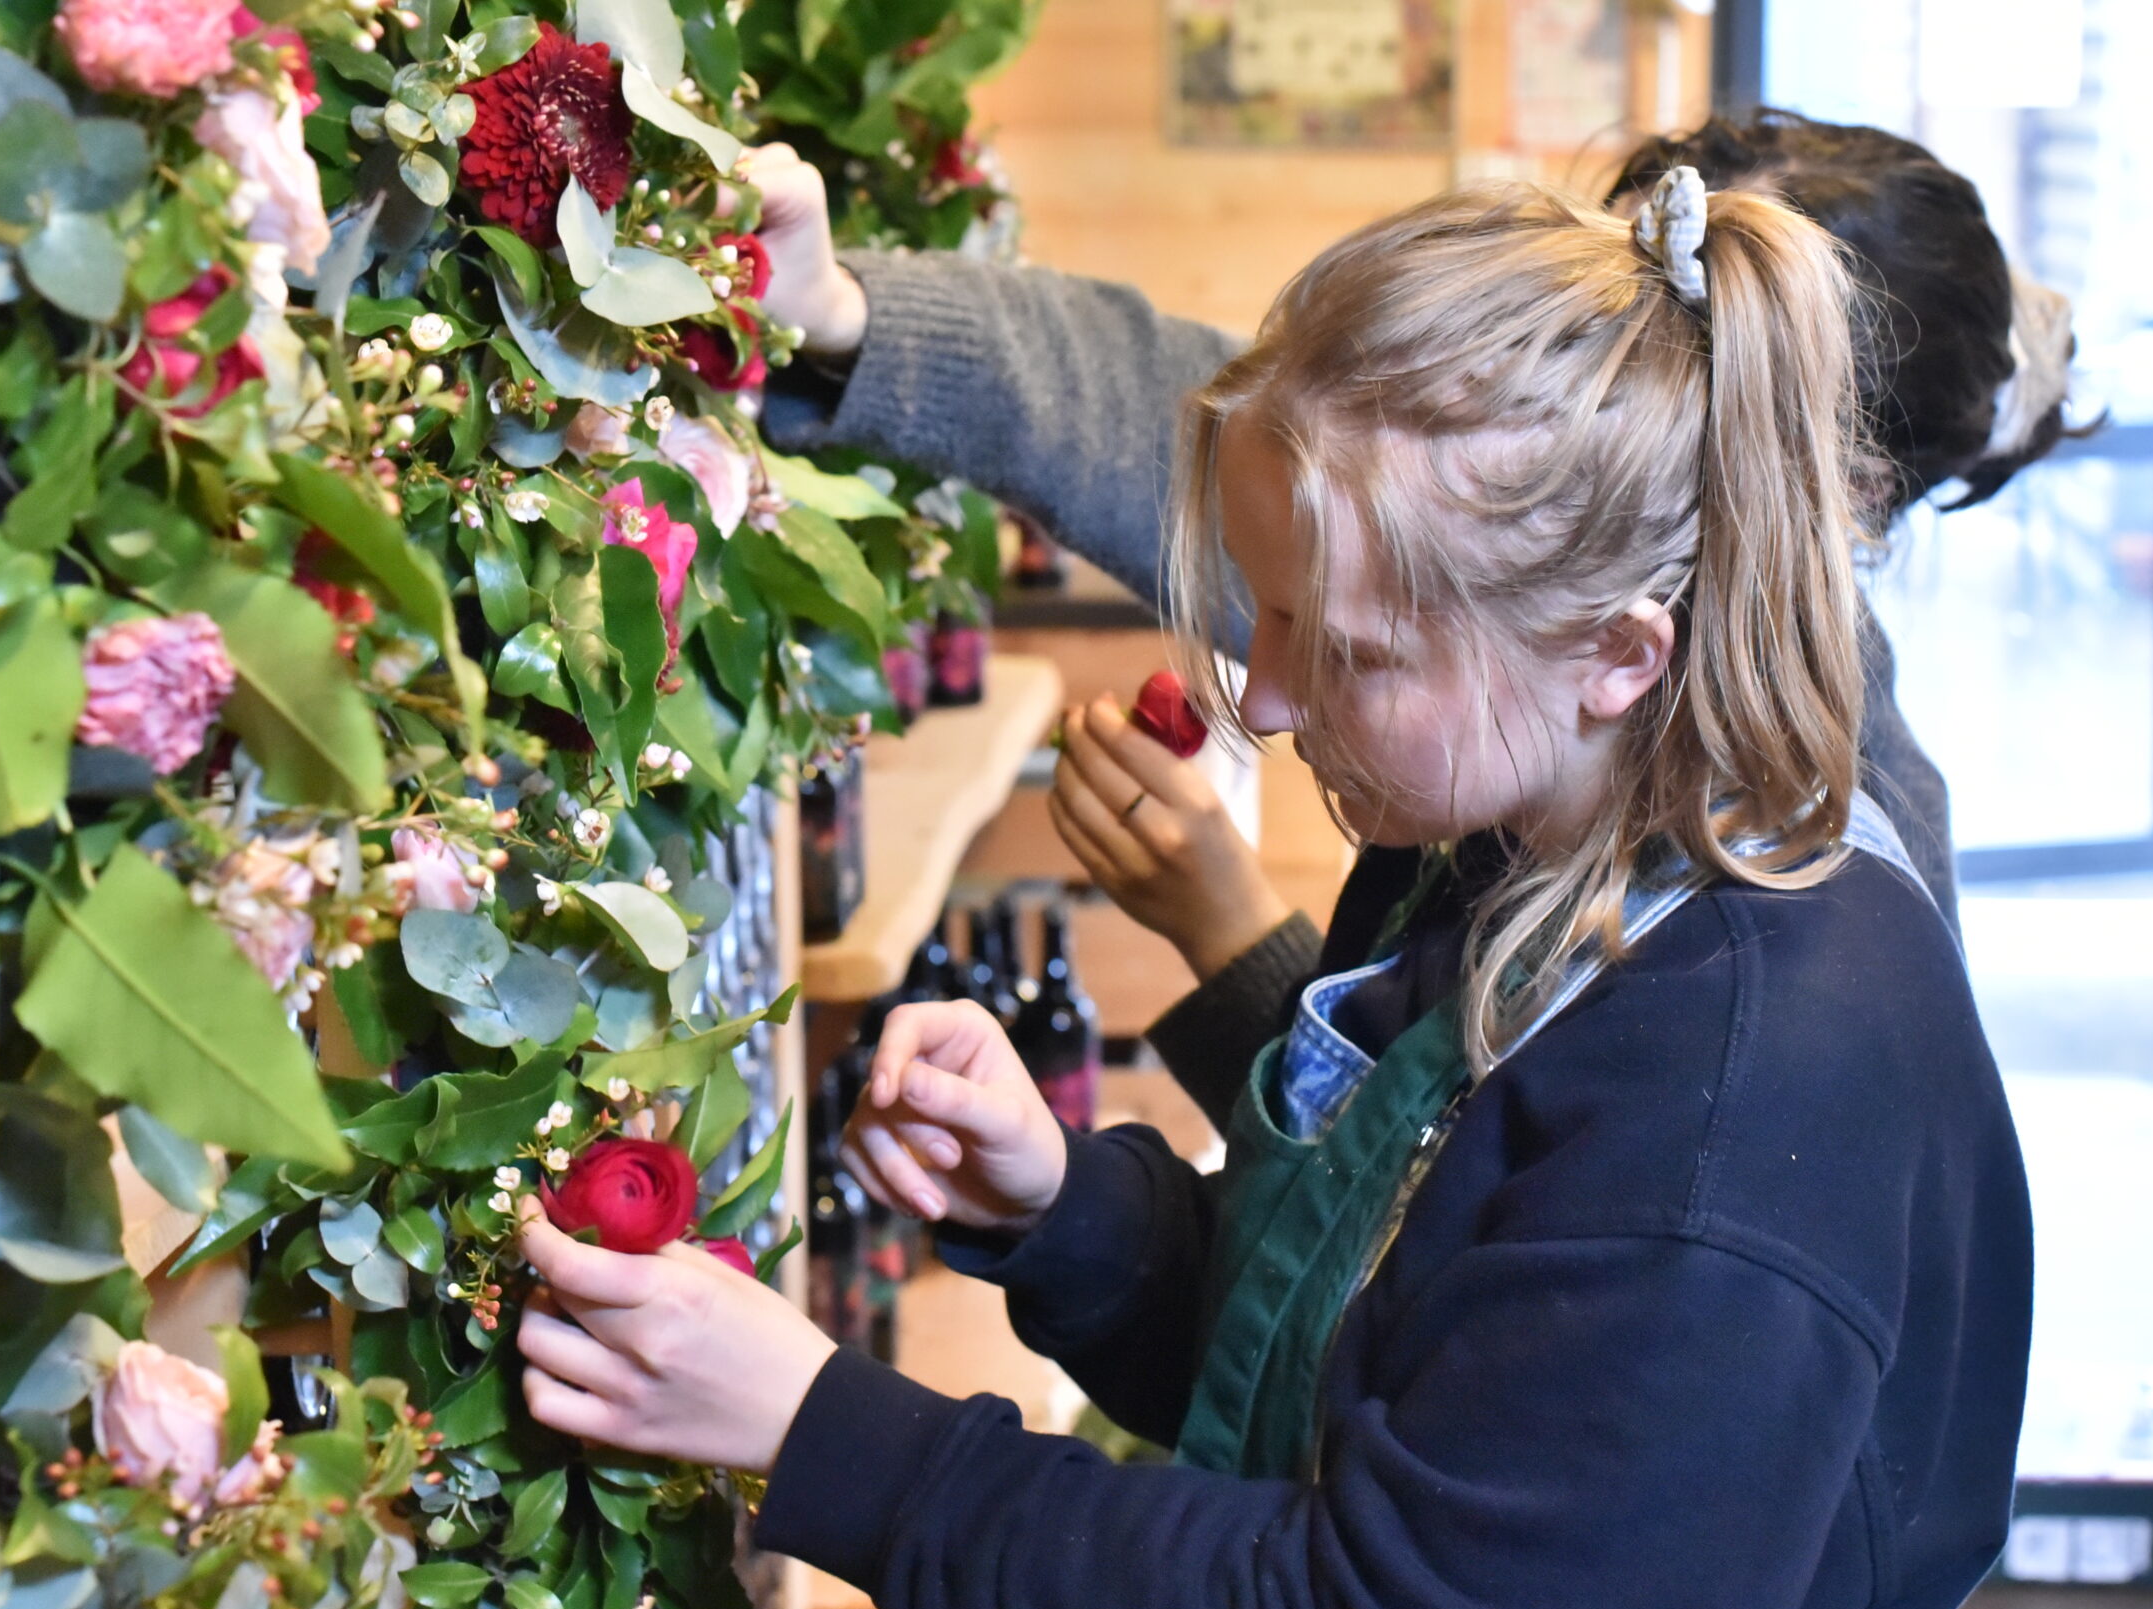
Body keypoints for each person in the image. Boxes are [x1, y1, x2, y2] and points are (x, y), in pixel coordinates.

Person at [520, 172, 2033, 1609]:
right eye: (1271, 611)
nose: (1270, 697)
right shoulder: (1508, 840)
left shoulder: (1736, 1110)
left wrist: (833, 1434)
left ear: (1616, 653)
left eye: (1349, 649)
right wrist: (1073, 1214)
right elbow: (1372, 1368)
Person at [748, 109, 2075, 1120]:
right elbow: (1136, 393)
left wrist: (1230, 936)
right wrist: (835, 313)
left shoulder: (1819, 932)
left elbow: (1441, 1261)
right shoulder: (1506, 596)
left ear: (1835, 489)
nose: (1270, 699)